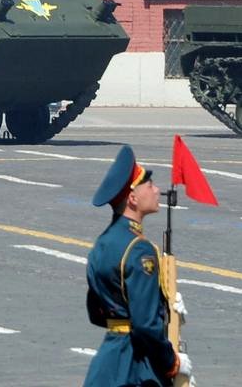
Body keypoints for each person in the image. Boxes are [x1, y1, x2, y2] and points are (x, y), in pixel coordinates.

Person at [82, 144, 189, 387]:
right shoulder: (140, 250)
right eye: (149, 186)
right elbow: (145, 325)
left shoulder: (102, 244)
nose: (157, 190)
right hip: (136, 367)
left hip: (107, 364)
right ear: (132, 198)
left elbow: (96, 311)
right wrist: (173, 361)